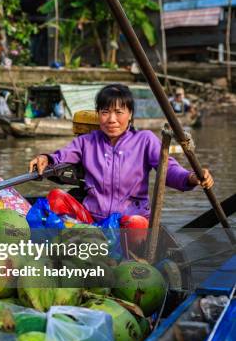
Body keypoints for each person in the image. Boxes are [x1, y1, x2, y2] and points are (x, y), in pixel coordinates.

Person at [28, 84, 213, 236]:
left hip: (128, 220)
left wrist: (192, 177)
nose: (112, 119)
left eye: (119, 112)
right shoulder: (86, 141)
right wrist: (45, 158)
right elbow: (61, 156)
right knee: (55, 197)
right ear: (98, 113)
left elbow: (169, 171)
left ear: (130, 114)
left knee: (138, 224)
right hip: (92, 220)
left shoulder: (145, 140)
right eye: (105, 112)